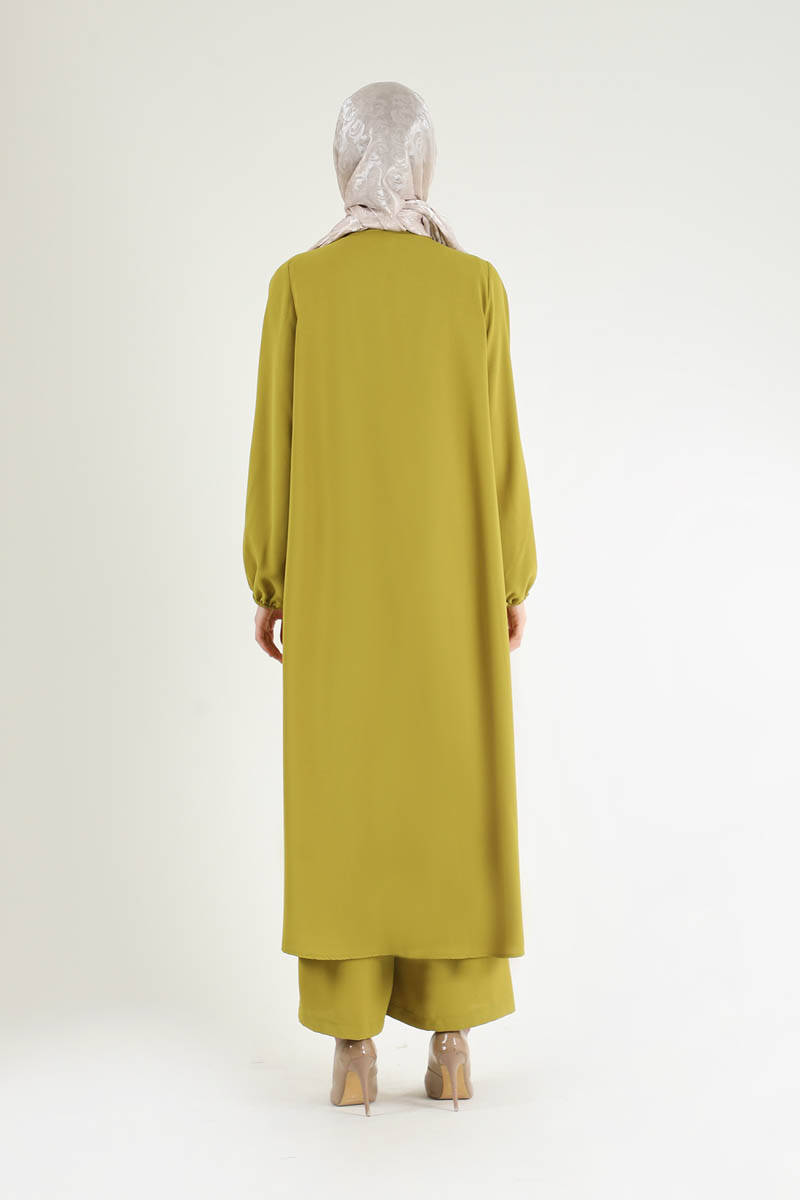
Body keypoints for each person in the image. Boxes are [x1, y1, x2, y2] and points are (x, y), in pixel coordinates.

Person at [243, 81, 537, 1115]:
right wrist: (508, 578)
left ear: (342, 164)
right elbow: (499, 449)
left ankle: (352, 1051)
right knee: (449, 788)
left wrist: (271, 578)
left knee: (344, 795)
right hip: (450, 590)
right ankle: (451, 1045)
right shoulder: (474, 285)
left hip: (335, 591)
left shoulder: (300, 284)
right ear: (421, 163)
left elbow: (274, 444)